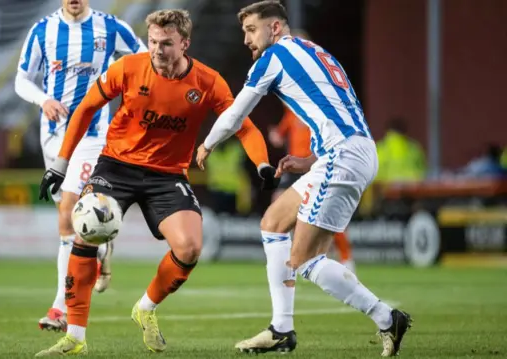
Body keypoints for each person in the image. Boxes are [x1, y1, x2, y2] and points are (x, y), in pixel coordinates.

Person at [36, 9, 279, 356]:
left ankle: (145, 308)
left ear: (185, 43)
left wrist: (263, 163)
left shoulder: (208, 82)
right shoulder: (128, 68)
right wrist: (61, 164)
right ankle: (75, 337)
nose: (157, 50)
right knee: (85, 229)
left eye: (166, 43)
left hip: (167, 175)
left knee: (190, 248)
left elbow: (244, 126)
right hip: (116, 165)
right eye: (152, 42)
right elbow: (86, 108)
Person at [196, 1, 411, 356]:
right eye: (244, 32)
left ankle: (386, 317)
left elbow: (235, 114)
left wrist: (206, 145)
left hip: (342, 157)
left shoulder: (275, 56)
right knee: (273, 222)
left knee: (306, 261)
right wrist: (309, 159)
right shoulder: (317, 51)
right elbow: (338, 112)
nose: (247, 40)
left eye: (252, 30)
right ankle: (281, 328)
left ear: (276, 28)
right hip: (345, 151)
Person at [15, 0, 147, 332]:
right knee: (70, 221)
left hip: (93, 135)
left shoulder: (111, 27)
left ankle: (59, 307)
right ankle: (101, 244)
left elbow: (145, 61)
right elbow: (22, 80)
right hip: (54, 137)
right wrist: (43, 100)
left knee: (69, 209)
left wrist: (130, 99)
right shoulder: (43, 30)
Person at [271, 104, 356, 271]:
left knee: (329, 211)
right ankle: (291, 256)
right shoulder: (291, 113)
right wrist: (275, 136)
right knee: (279, 202)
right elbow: (279, 135)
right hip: (295, 166)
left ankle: (346, 257)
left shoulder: (320, 111)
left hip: (315, 164)